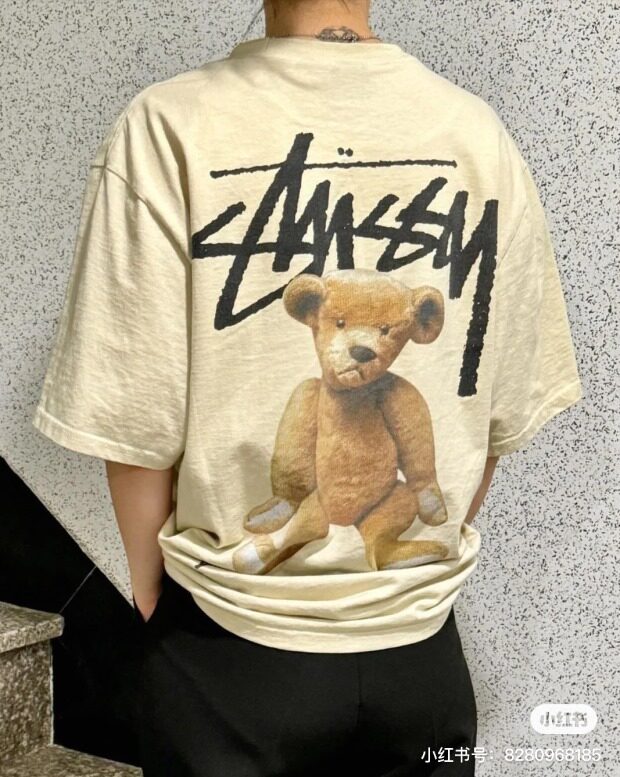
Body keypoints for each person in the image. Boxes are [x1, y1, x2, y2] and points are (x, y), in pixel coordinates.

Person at [31, 0, 583, 774]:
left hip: (228, 648)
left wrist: (161, 603)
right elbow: (496, 416)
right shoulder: (476, 135)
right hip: (419, 656)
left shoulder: (169, 127)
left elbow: (134, 419)